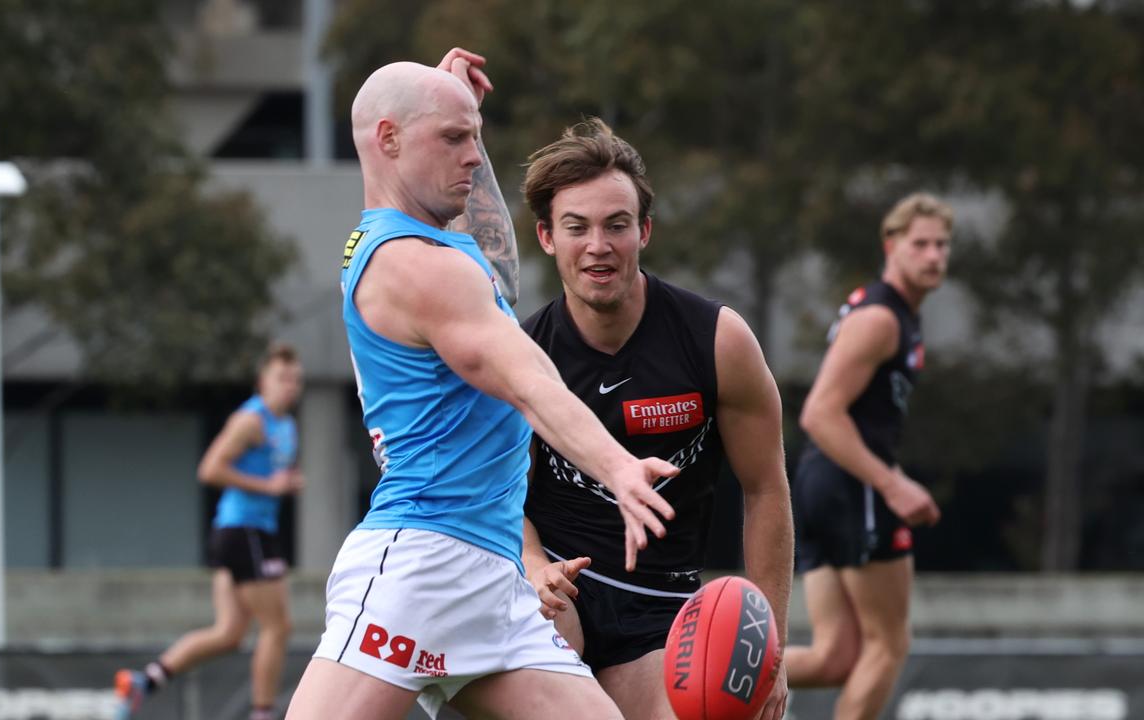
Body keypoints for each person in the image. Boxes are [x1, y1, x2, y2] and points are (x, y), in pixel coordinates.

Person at [284, 49, 679, 720]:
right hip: (422, 564)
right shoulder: (415, 267)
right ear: (389, 139)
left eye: (475, 136)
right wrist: (616, 467)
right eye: (454, 138)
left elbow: (499, 268)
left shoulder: (439, 247)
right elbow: (527, 378)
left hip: (492, 575)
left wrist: (449, 100)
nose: (473, 154)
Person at [517, 118, 792, 720]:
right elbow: (497, 496)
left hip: (666, 607)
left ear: (643, 231)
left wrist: (768, 644)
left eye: (617, 225)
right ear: (545, 236)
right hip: (557, 595)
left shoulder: (716, 341)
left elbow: (765, 487)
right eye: (576, 227)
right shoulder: (520, 355)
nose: (598, 245)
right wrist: (534, 566)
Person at [783, 193, 951, 720]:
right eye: (920, 244)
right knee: (888, 644)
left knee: (836, 657)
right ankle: (687, 666)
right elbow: (820, 413)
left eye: (942, 245)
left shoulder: (894, 313)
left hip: (826, 482)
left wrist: (892, 476)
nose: (933, 256)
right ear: (891, 246)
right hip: (849, 485)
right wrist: (892, 484)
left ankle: (682, 669)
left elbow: (860, 421)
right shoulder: (882, 317)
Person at [113, 343, 304, 720]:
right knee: (278, 628)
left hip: (241, 532)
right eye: (281, 378)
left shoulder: (287, 425)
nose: (290, 386)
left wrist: (280, 483)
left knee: (230, 633)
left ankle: (146, 680)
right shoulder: (250, 421)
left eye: (296, 380)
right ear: (261, 381)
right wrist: (271, 487)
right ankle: (262, 713)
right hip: (244, 531)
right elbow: (210, 469)